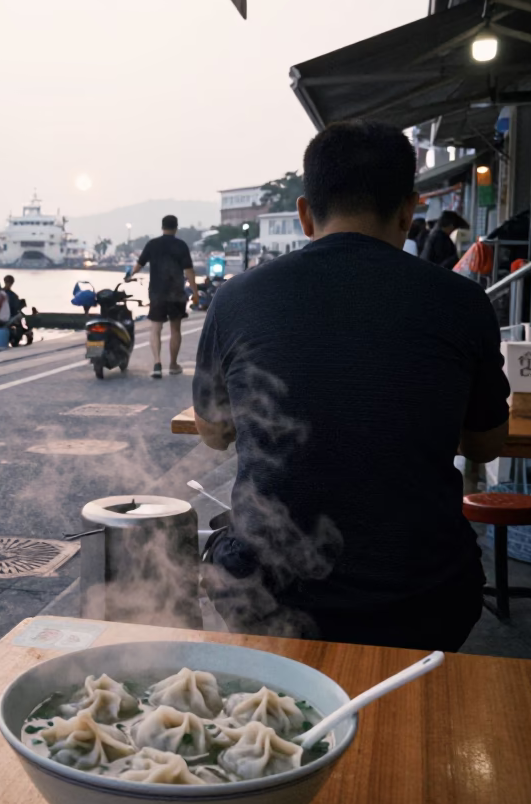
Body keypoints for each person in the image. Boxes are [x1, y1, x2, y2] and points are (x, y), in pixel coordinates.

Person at [193, 119, 509, 652]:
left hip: (266, 598)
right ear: (409, 210)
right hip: (421, 602)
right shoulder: (462, 303)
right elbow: (484, 444)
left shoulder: (236, 298)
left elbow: (212, 431)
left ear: (304, 213)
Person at [128, 214, 199, 378]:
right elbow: (189, 271)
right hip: (176, 294)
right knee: (175, 329)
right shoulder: (181, 245)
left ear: (162, 227)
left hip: (157, 293)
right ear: (176, 228)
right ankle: (173, 365)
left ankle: (157, 363)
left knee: (155, 328)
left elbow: (139, 265)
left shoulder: (152, 244)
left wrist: (130, 276)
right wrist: (195, 293)